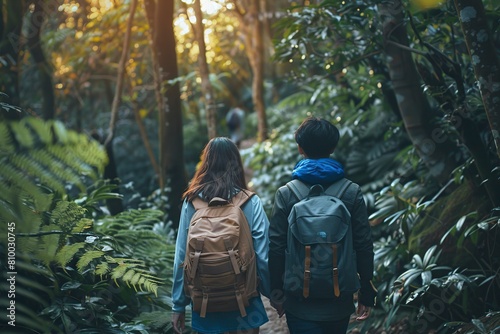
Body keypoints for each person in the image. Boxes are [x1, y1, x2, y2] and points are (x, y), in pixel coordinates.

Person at [268, 117, 376, 334]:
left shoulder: (287, 194)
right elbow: (364, 245)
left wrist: (276, 293)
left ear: (300, 148)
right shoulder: (351, 192)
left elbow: (276, 247)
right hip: (339, 300)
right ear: (333, 147)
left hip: (299, 302)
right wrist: (366, 292)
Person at [172, 137, 270, 334]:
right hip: (245, 303)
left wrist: (178, 305)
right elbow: (263, 255)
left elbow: (181, 256)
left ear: (205, 163)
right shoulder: (250, 201)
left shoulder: (191, 202)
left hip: (205, 303)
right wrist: (274, 295)